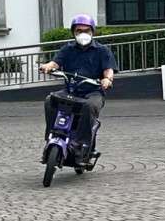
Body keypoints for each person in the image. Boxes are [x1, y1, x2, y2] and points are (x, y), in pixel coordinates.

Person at [39, 14, 118, 161]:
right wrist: (48, 66)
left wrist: (107, 79)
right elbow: (55, 63)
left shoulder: (102, 51)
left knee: (89, 106)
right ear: (73, 32)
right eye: (78, 30)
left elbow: (108, 69)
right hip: (71, 90)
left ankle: (80, 144)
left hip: (93, 92)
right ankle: (51, 137)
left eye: (86, 31)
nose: (83, 34)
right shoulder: (68, 49)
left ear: (92, 32)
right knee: (50, 100)